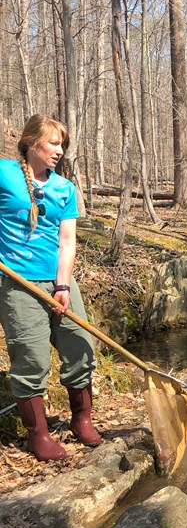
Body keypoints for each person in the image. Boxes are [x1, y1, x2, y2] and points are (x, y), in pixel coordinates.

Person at [0, 114, 99, 461]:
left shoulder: (65, 188)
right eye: (53, 143)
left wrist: (62, 285)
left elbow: (67, 240)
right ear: (31, 142)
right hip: (18, 283)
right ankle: (38, 436)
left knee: (80, 346)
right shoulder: (5, 173)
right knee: (31, 359)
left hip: (60, 280)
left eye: (62, 145)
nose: (60, 150)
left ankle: (81, 419)